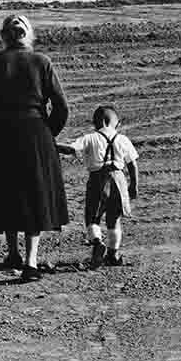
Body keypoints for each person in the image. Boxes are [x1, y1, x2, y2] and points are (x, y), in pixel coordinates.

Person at [0, 14, 70, 281]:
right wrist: (48, 134)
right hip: (34, 135)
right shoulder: (41, 62)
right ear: (29, 34)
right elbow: (61, 107)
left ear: (4, 36)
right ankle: (30, 262)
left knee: (7, 194)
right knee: (34, 196)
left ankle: (13, 254)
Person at [57, 105, 139, 268]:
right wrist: (133, 186)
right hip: (119, 179)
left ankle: (97, 242)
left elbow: (71, 149)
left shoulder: (90, 138)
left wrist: (52, 144)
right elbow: (133, 165)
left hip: (97, 180)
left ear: (97, 122)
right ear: (117, 123)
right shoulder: (123, 139)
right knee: (114, 219)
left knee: (92, 217)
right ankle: (113, 254)